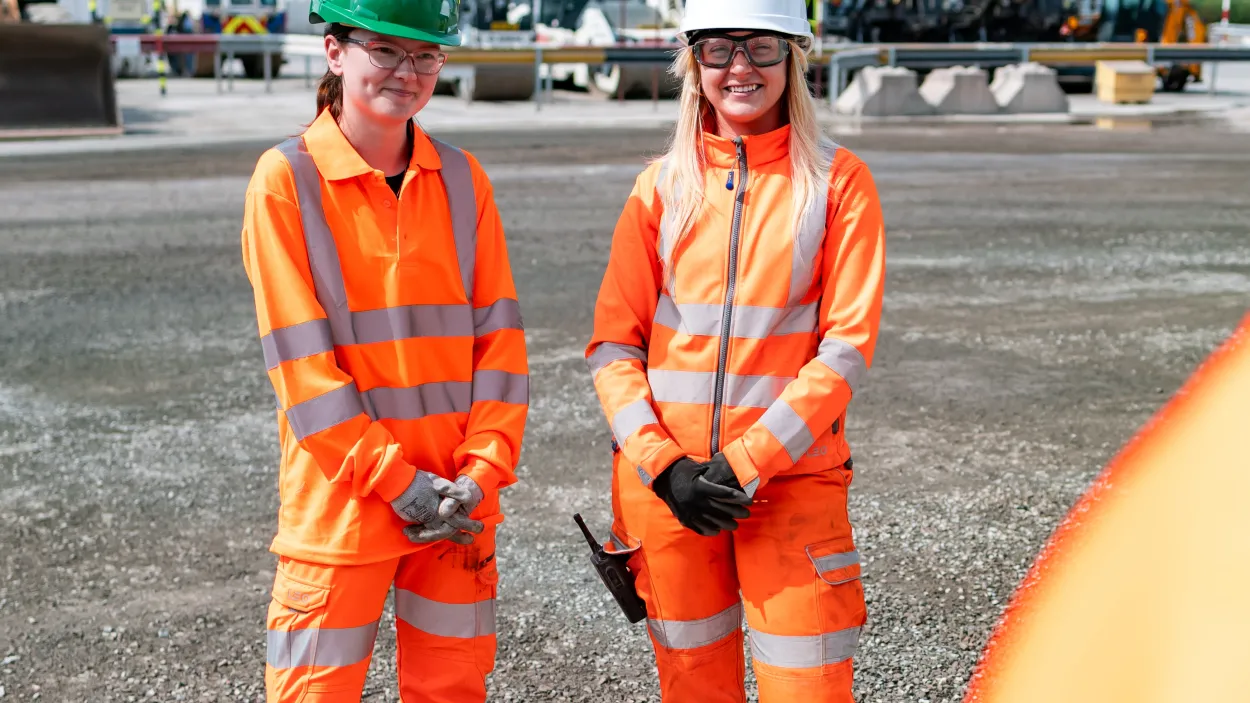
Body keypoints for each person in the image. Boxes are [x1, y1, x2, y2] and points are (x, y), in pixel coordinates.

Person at [584, 0, 886, 700]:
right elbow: (612, 345)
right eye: (718, 49)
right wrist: (666, 470)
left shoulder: (838, 184)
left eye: (760, 47)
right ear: (694, 61)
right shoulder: (658, 189)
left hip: (788, 490)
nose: (740, 67)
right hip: (671, 496)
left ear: (793, 57)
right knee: (692, 687)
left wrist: (746, 463)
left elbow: (844, 351)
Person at [239, 0, 528, 700]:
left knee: (452, 690)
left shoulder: (463, 180)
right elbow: (305, 373)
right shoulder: (287, 182)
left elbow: (501, 347)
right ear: (335, 52)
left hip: (456, 503)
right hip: (345, 509)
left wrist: (482, 472)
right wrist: (401, 484)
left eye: (426, 54)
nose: (409, 71)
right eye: (387, 51)